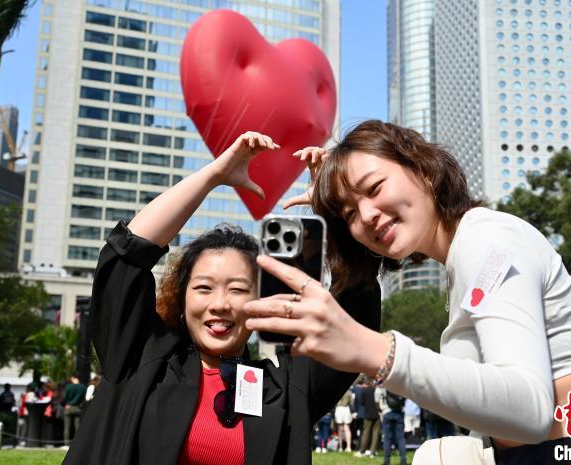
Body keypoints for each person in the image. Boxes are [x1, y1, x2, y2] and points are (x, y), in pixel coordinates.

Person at [243, 120, 571, 464]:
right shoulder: (463, 254)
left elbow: (532, 408)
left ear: (423, 169)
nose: (366, 214)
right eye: (350, 213)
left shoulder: (486, 239)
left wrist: (375, 351)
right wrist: (333, 204)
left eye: (375, 186)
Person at [61, 132, 380, 465]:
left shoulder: (285, 388)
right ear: (181, 300)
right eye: (203, 288)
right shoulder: (140, 358)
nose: (220, 304)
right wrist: (214, 175)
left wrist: (333, 208)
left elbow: (357, 310)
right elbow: (125, 256)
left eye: (239, 289)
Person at [376, 387, 407, 465]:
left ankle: (387, 461)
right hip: (399, 412)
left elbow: (377, 399)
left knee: (387, 439)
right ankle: (403, 461)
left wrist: (380, 411)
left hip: (386, 412)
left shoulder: (382, 386)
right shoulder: (398, 384)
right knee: (401, 438)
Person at [62, 373, 87, 446]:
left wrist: (66, 403)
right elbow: (84, 399)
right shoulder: (83, 387)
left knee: (67, 427)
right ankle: (78, 444)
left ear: (73, 378)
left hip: (69, 407)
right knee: (78, 427)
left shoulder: (68, 386)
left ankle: (66, 444)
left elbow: (65, 397)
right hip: (78, 408)